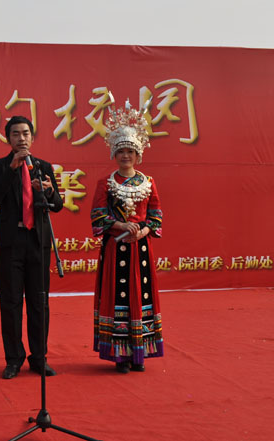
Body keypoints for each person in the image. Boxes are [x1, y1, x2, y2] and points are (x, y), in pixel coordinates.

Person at [0, 116, 63, 379]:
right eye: (16, 134)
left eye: (25, 133)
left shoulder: (43, 166)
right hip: (11, 242)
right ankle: (14, 359)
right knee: (10, 302)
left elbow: (57, 205)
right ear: (8, 138)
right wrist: (12, 169)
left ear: (32, 136)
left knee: (39, 302)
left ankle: (39, 358)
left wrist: (49, 191)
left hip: (38, 242)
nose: (21, 138)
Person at [90, 100, 164, 373]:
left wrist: (142, 231)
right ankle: (120, 355)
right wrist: (121, 226)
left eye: (130, 151)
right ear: (114, 153)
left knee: (141, 295)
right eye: (121, 151)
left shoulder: (149, 182)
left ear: (138, 154)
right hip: (116, 248)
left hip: (140, 249)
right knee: (118, 296)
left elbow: (156, 215)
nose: (125, 156)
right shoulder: (105, 183)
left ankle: (139, 354)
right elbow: (98, 216)